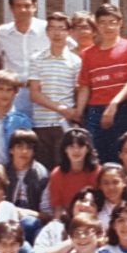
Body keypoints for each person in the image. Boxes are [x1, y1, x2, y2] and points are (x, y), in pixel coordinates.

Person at [75, 2, 127, 165]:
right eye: (103, 23)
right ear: (97, 25)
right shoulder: (88, 54)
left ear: (120, 23)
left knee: (120, 156)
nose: (108, 27)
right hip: (95, 111)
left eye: (112, 22)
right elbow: (85, 86)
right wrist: (78, 112)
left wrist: (114, 104)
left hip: (121, 109)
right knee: (94, 158)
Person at [26, 10, 83, 167]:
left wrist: (73, 114)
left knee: (63, 168)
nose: (57, 33)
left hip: (64, 126)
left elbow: (78, 92)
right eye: (52, 28)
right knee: (43, 170)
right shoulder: (37, 59)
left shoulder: (76, 61)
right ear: (47, 32)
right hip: (41, 124)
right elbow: (34, 94)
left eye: (61, 28)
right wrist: (61, 108)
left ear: (69, 32)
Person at [0, 0, 52, 113]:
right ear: (11, 8)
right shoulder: (2, 33)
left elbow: (72, 48)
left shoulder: (48, 29)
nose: (23, 10)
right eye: (18, 6)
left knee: (42, 131)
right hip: (15, 94)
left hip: (44, 93)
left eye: (27, 5)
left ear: (34, 6)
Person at [47, 127, 101, 217]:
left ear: (88, 149)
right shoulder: (57, 174)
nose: (76, 151)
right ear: (65, 149)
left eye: (80, 146)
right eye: (71, 146)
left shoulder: (97, 172)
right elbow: (58, 208)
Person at [5, 130, 49, 216]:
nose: (24, 151)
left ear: (34, 152)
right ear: (11, 150)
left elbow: (46, 214)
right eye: (19, 147)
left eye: (29, 148)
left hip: (32, 219)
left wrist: (26, 213)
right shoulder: (3, 172)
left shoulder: (42, 174)